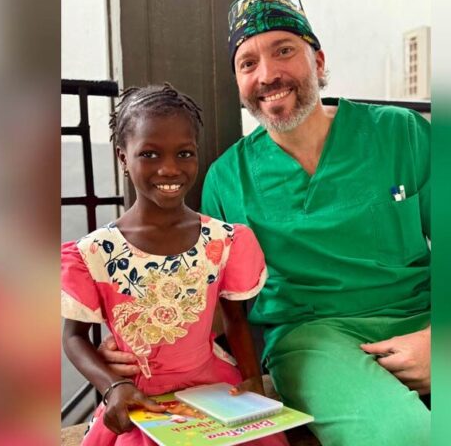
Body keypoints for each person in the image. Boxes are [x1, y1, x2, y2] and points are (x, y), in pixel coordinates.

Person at [101, 0, 431, 444]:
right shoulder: (228, 179)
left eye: (284, 51)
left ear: (318, 62)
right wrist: (140, 335)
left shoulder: (401, 133)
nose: (268, 74)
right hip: (316, 341)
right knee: (402, 435)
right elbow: (215, 301)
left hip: (427, 316)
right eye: (248, 63)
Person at [61, 83, 288, 446]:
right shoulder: (95, 252)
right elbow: (73, 338)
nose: (169, 169)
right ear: (123, 157)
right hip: (140, 399)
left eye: (184, 153)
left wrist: (251, 380)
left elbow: (235, 319)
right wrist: (112, 385)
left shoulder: (222, 240)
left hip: (216, 389)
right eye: (149, 154)